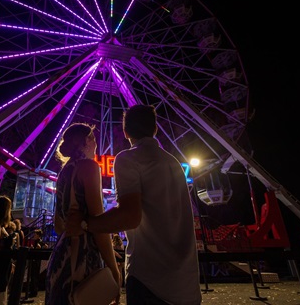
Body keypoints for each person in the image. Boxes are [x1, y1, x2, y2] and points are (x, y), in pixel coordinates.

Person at [67, 105, 202, 305]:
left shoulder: (128, 159)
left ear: (125, 132)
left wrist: (87, 223)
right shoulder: (174, 163)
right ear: (155, 129)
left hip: (149, 279)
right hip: (186, 284)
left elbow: (130, 216)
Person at [45, 122, 120, 305]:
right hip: (81, 258)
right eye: (94, 140)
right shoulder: (89, 167)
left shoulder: (64, 172)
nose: (96, 145)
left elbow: (59, 225)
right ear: (88, 140)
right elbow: (98, 222)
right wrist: (113, 268)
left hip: (61, 256)